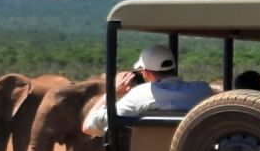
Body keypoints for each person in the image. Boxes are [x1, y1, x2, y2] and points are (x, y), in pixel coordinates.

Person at [83, 44, 214, 136]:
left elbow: (89, 126)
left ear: (146, 72)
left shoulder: (139, 95)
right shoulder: (202, 91)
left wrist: (111, 92)